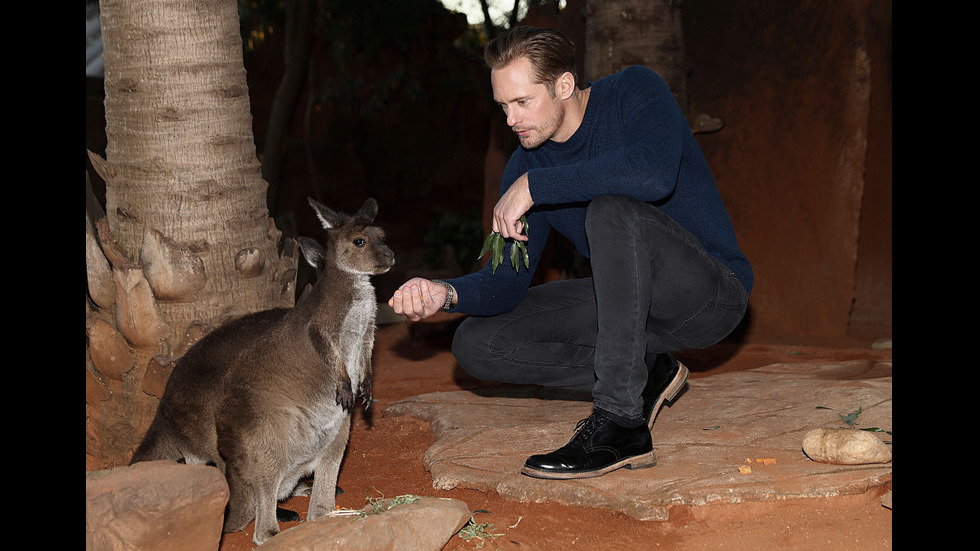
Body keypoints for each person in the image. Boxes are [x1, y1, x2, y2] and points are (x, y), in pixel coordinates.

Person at [388, 26, 752, 480]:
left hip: (708, 295)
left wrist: (537, 188)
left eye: (523, 102)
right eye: (503, 106)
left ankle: (622, 423)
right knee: (477, 343)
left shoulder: (634, 91)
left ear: (563, 85)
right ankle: (644, 372)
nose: (511, 120)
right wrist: (444, 292)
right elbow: (505, 282)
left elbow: (654, 174)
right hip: (630, 310)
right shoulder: (526, 162)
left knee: (611, 212)